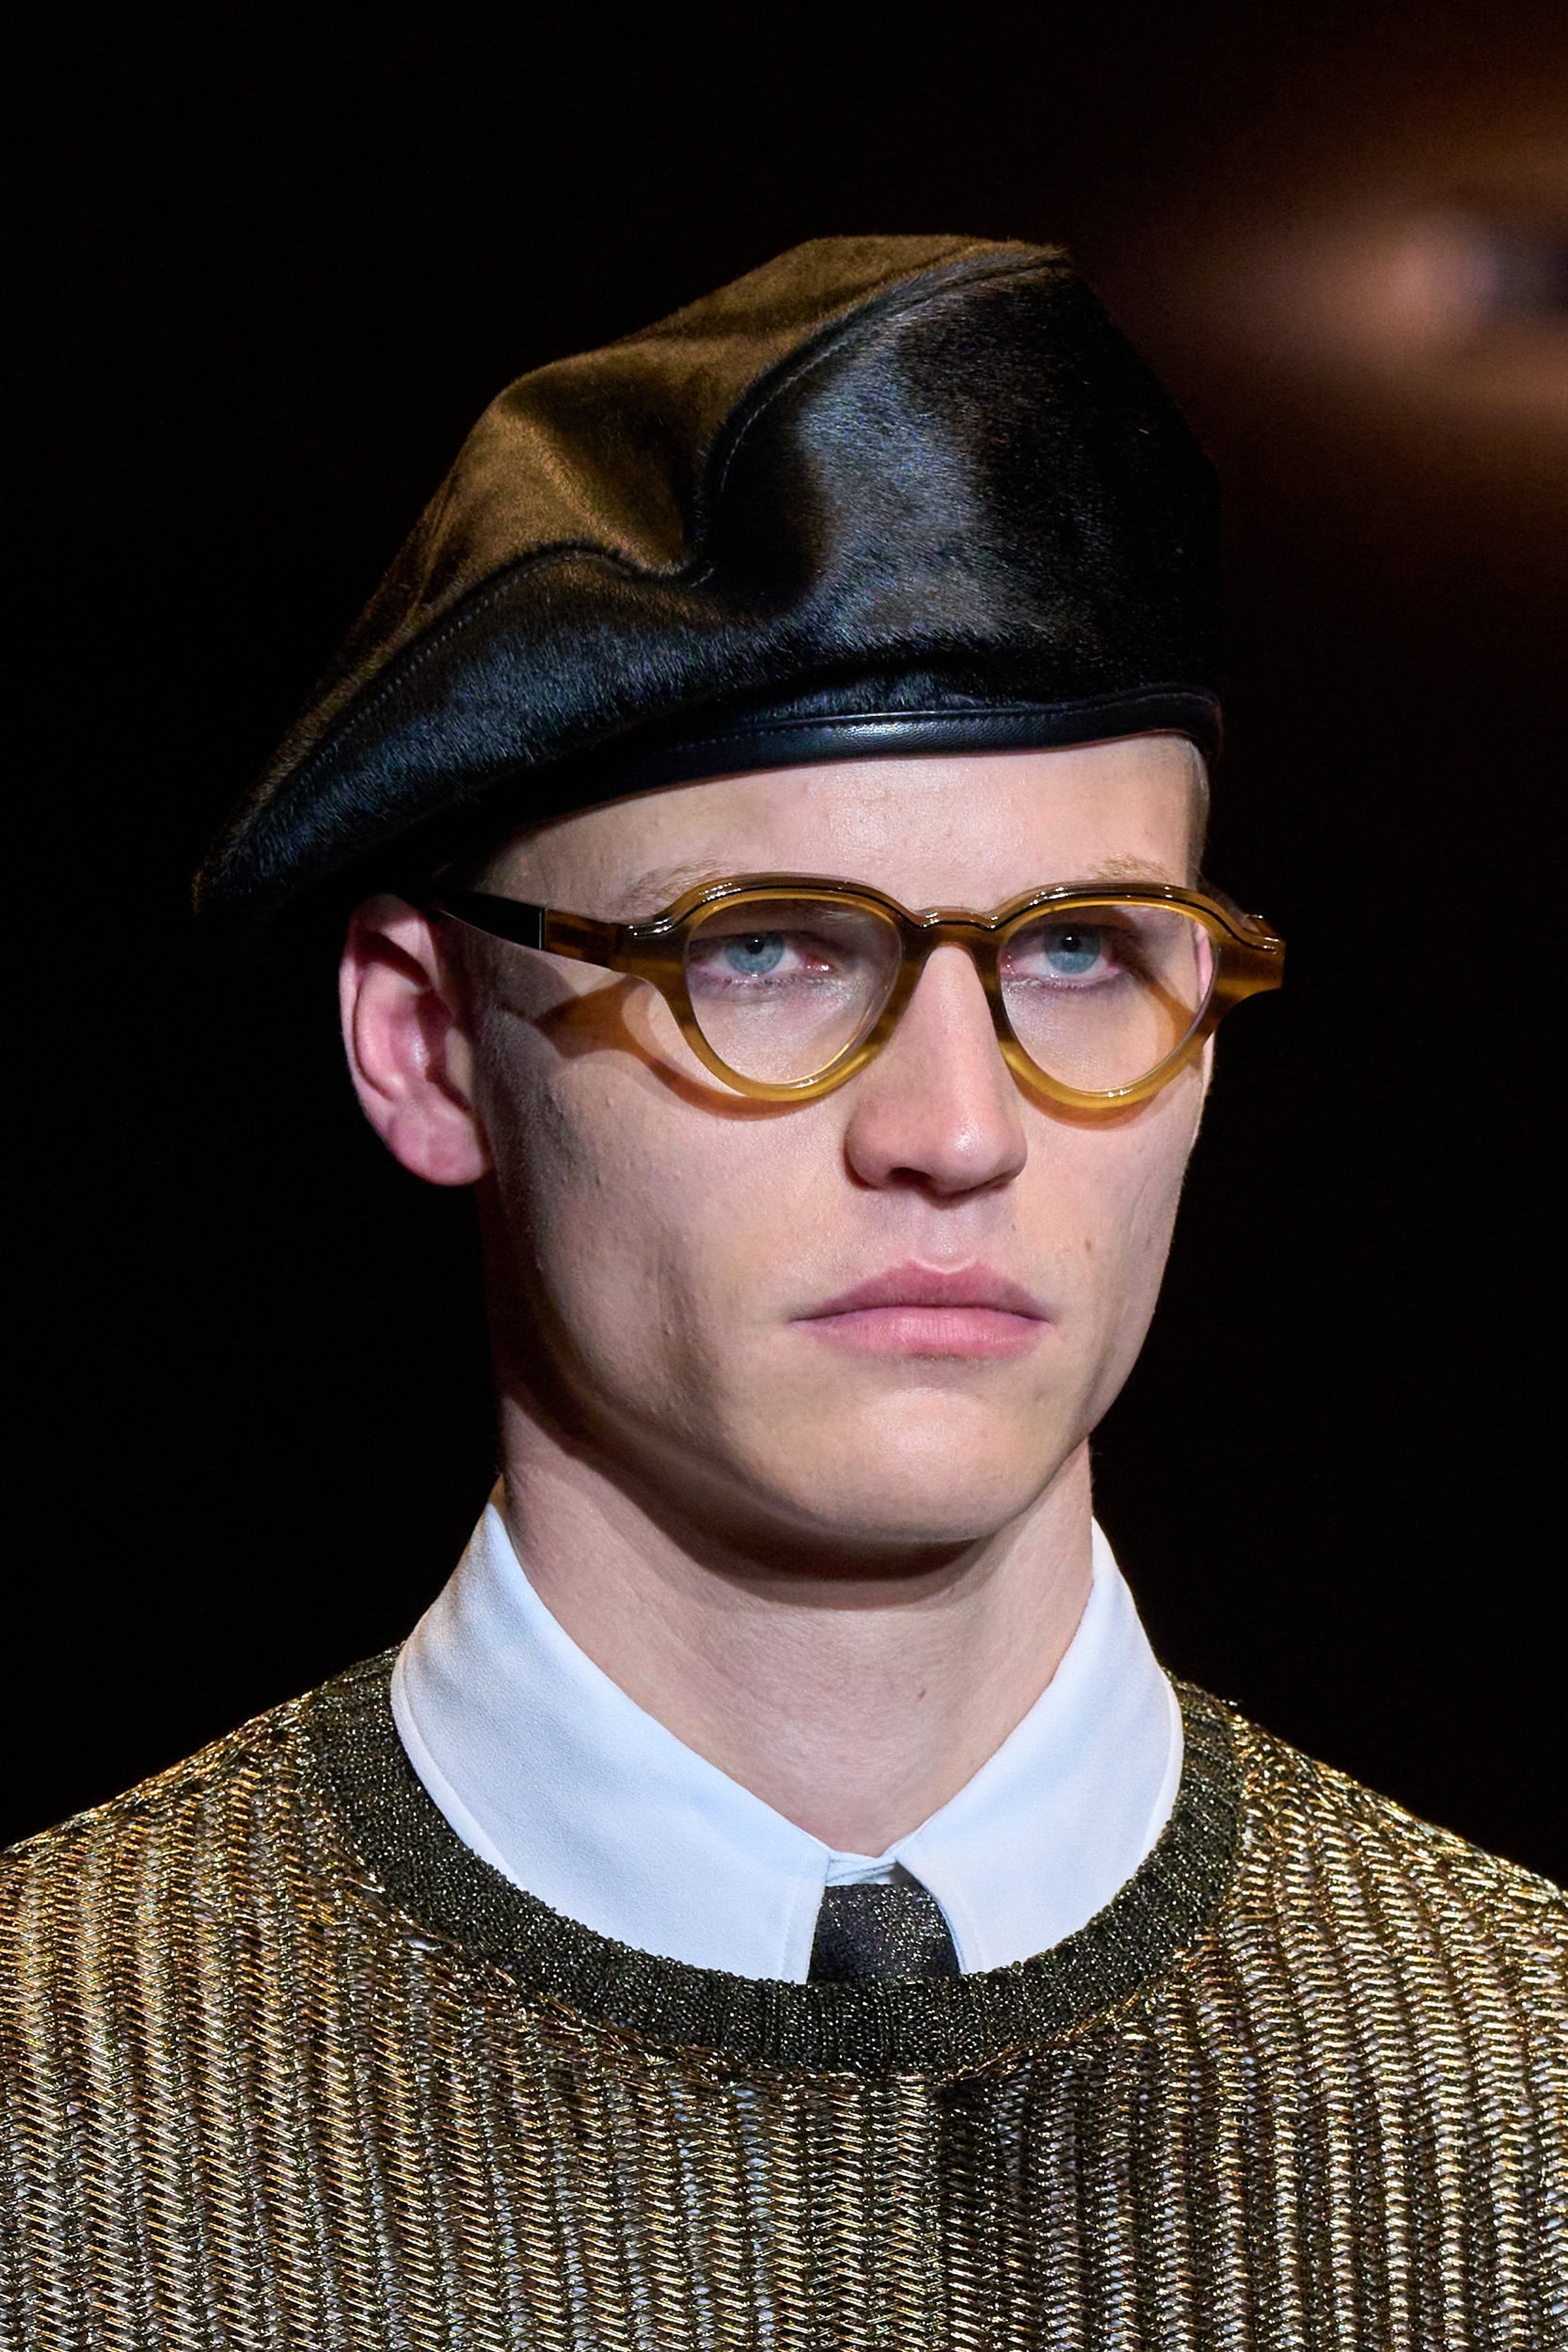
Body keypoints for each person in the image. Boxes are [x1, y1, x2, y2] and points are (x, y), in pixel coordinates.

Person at [3, 235, 1561, 2349]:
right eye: (766, 950)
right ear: (428, 1045)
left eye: (1083, 952)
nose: (959, 1124)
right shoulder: (59, 2121)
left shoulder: (1528, 2107)